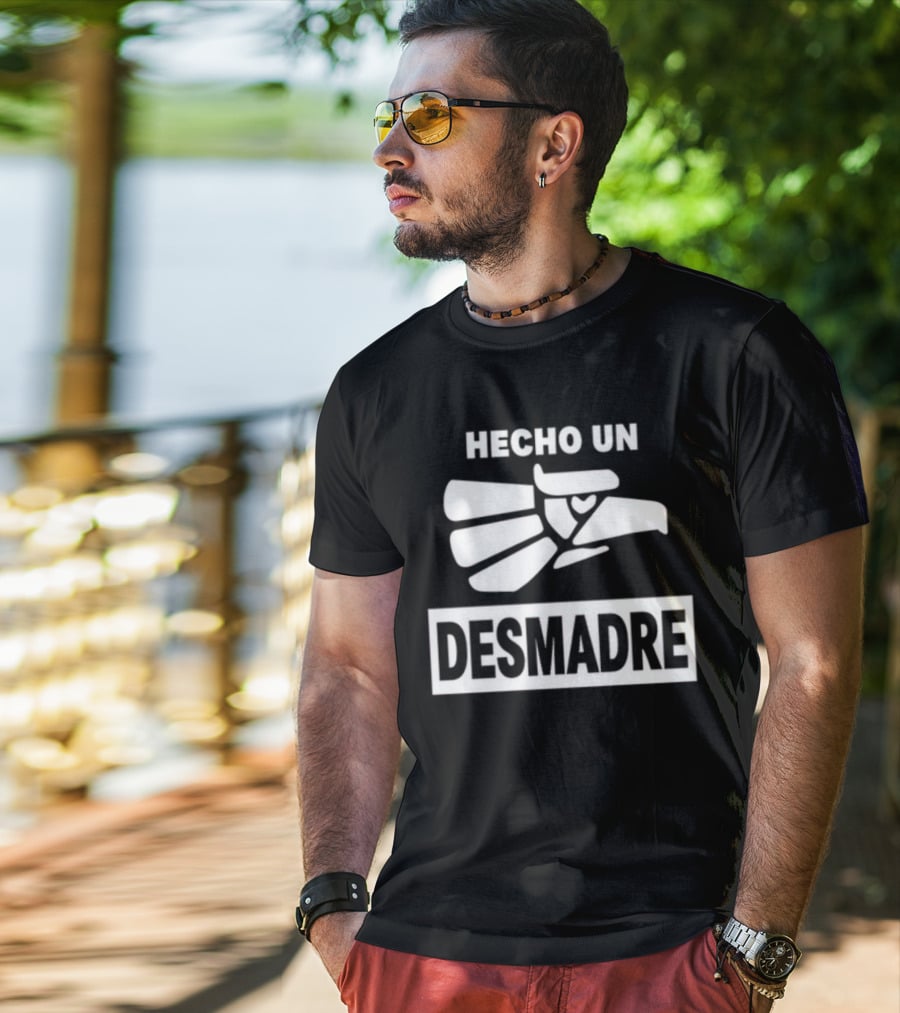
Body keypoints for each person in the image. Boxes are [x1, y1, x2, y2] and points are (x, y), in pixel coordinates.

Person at [295, 2, 868, 1010]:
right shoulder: (376, 391)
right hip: (427, 955)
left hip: (667, 949)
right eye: (388, 117)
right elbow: (347, 664)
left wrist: (755, 947)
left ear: (553, 145)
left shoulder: (737, 353)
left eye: (430, 116)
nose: (389, 148)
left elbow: (813, 661)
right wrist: (335, 907)